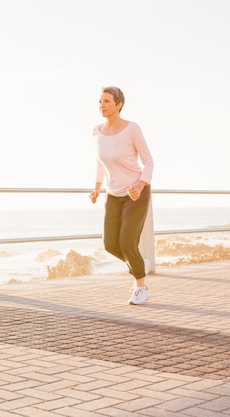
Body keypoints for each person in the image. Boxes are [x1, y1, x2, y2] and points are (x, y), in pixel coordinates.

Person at [89, 86, 154, 305]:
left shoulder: (132, 129)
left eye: (107, 101)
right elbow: (100, 162)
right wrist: (97, 187)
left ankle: (141, 287)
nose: (102, 106)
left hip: (136, 193)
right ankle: (138, 264)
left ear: (119, 105)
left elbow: (148, 161)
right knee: (110, 244)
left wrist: (142, 184)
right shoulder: (96, 132)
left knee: (127, 243)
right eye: (100, 101)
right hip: (113, 194)